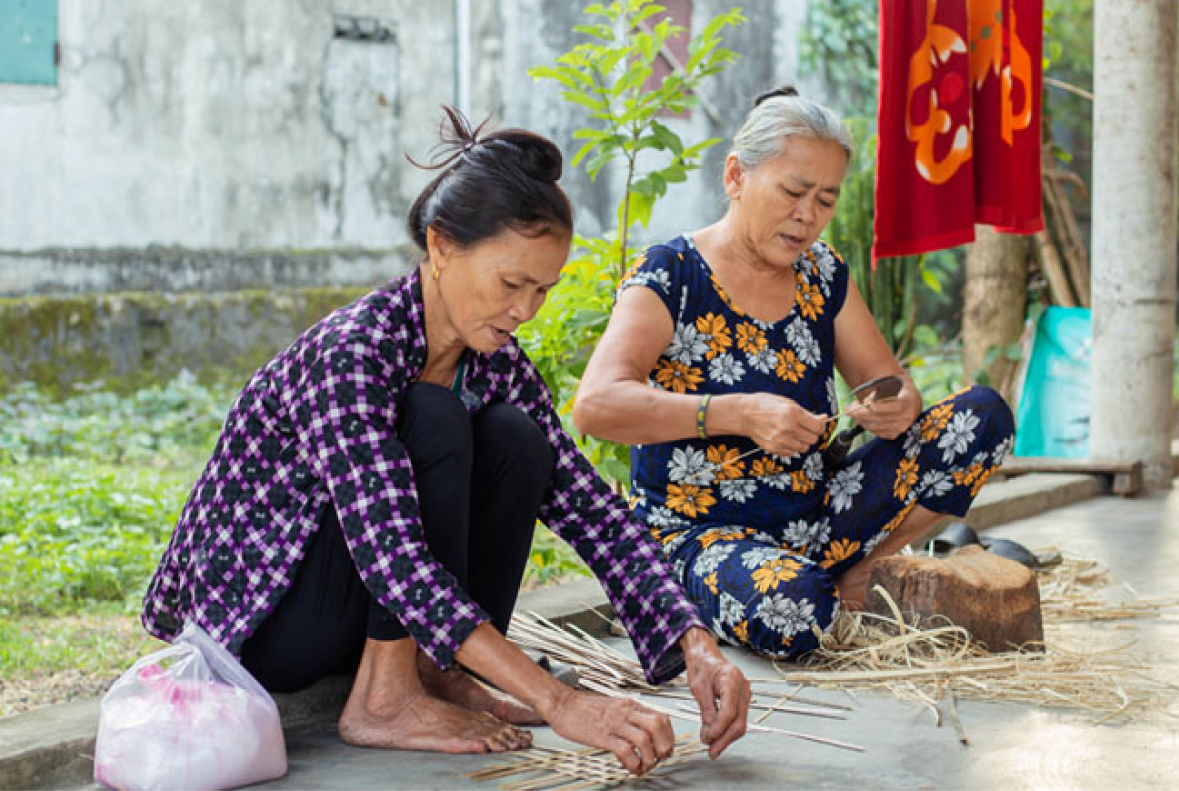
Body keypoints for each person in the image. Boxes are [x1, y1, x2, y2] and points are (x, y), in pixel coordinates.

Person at [142, 106, 749, 774]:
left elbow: (589, 508)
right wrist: (560, 701)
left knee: (517, 437)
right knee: (431, 415)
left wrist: (696, 642)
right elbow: (392, 555)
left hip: (361, 608)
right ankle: (384, 695)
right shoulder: (354, 353)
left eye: (542, 290)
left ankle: (433, 671)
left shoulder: (495, 361)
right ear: (440, 247)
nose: (524, 309)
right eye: (510, 282)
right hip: (266, 623)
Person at [573, 87, 1015, 661]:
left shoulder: (823, 273)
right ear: (736, 176)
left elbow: (890, 383)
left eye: (826, 199)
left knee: (983, 419)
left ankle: (862, 577)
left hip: (816, 517)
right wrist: (739, 413)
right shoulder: (672, 275)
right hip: (698, 535)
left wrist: (895, 403)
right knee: (798, 611)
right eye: (793, 191)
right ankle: (815, 593)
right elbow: (596, 405)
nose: (807, 215)